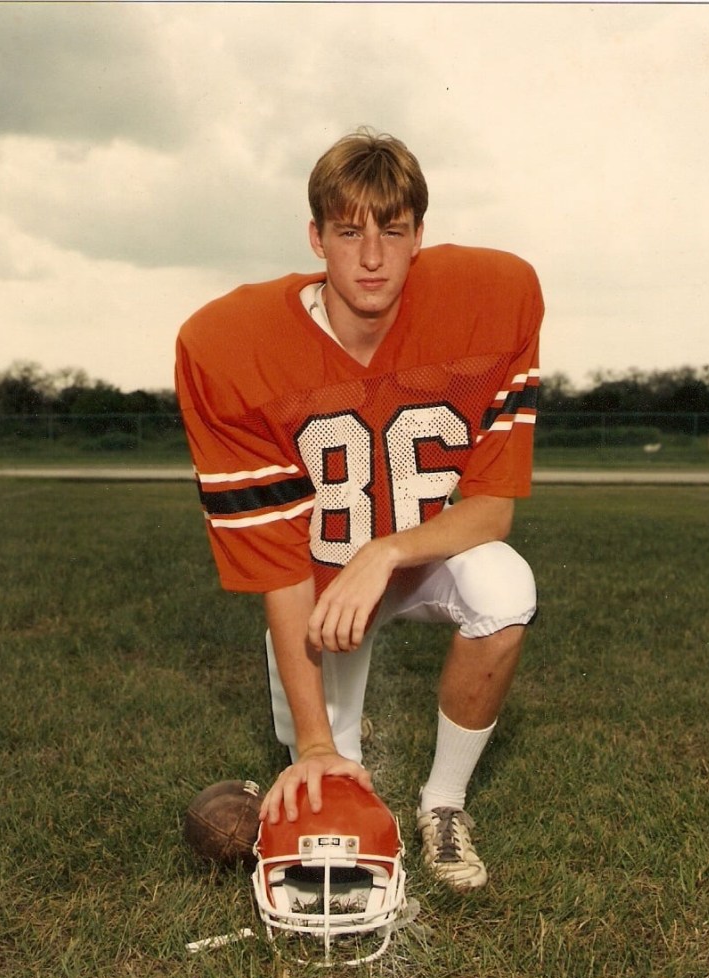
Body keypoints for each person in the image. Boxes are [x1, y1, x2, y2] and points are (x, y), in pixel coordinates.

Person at [175, 129, 543, 890]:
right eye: (349, 232)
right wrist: (314, 744)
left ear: (418, 238)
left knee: (506, 588)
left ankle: (444, 806)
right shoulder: (230, 345)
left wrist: (385, 553)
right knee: (329, 779)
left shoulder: (494, 299)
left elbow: (493, 510)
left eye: (392, 231)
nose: (371, 257)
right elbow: (277, 561)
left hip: (421, 553)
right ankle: (315, 751)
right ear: (317, 238)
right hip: (318, 586)